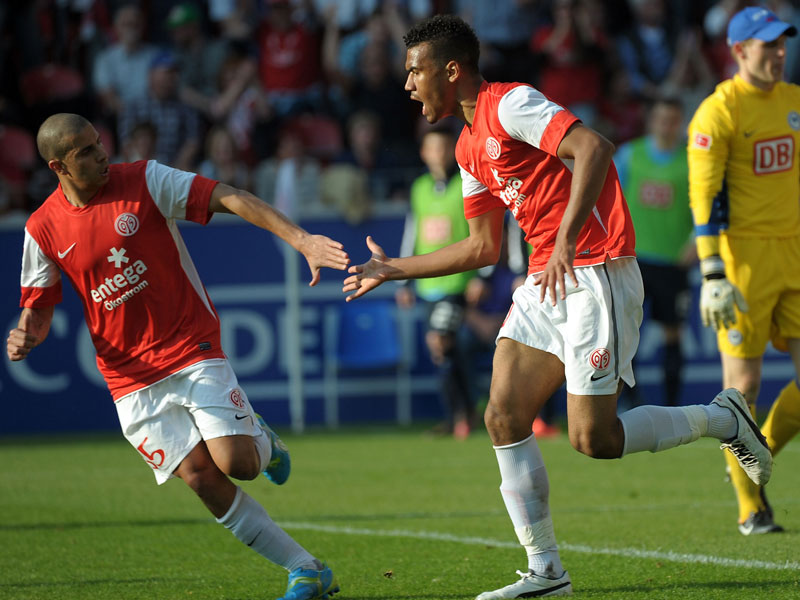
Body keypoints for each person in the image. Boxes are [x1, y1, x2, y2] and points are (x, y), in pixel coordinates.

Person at [342, 15, 772, 598]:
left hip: (596, 272)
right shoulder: (469, 148)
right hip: (545, 282)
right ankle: (546, 571)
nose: (408, 85)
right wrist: (394, 268)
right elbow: (482, 247)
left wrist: (567, 235)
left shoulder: (511, 103)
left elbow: (593, 147)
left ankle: (723, 417)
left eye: (415, 71)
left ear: (451, 69)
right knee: (501, 416)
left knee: (595, 441)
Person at [6, 113, 348, 600]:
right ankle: (306, 569)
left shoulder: (145, 179)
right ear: (58, 166)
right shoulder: (41, 228)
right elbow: (36, 310)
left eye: (99, 143)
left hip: (190, 346)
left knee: (239, 463)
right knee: (200, 477)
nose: (102, 153)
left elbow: (229, 196)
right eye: (86, 151)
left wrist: (302, 240)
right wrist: (25, 335)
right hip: (129, 378)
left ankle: (264, 443)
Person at [687, 6, 800, 536]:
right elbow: (703, 195)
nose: (778, 53)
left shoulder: (795, 101)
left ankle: (755, 461)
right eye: (767, 45)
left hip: (797, 252)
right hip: (743, 260)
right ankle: (749, 504)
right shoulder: (718, 112)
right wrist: (712, 272)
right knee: (744, 388)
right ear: (739, 51)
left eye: (782, 44)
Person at [396, 126, 476, 439]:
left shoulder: (466, 185)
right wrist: (403, 281)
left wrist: (481, 275)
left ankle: (459, 416)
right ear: (424, 154)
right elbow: (411, 235)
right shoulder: (418, 189)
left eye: (444, 148)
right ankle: (463, 411)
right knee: (446, 351)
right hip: (428, 285)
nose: (438, 154)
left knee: (439, 340)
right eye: (433, 148)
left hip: (457, 280)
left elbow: (480, 230)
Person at [615, 96, 694, 407]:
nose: (666, 125)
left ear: (681, 123)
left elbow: (706, 205)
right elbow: (611, 203)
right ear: (651, 121)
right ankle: (630, 402)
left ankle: (672, 407)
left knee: (672, 334)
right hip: (634, 259)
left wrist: (695, 241)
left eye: (672, 120)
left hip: (674, 261)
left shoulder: (692, 160)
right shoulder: (629, 156)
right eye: (661, 119)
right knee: (625, 331)